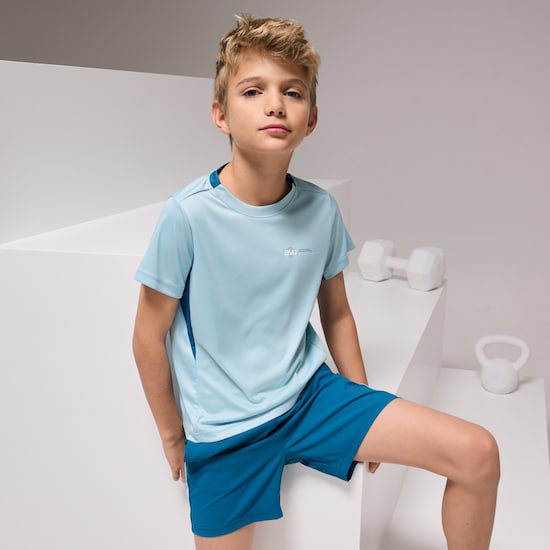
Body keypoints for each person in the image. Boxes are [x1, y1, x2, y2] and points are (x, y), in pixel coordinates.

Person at [132, 14, 500, 550]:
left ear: (312, 118)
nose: (275, 105)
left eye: (293, 92)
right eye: (253, 91)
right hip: (227, 431)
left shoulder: (321, 210)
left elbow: (338, 313)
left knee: (478, 453)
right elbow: (148, 336)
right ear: (220, 115)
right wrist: (172, 434)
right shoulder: (187, 216)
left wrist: (363, 401)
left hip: (311, 398)